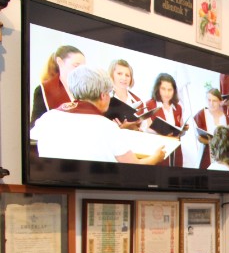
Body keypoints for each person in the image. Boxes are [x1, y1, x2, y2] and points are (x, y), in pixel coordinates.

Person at [30, 66, 165, 165]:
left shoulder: (47, 118)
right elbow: (134, 166)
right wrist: (156, 157)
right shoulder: (107, 127)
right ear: (103, 96)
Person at [30, 45, 86, 128]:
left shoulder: (86, 89)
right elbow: (34, 126)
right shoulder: (44, 90)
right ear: (60, 62)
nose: (81, 70)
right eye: (76, 65)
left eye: (84, 67)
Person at [145, 73, 187, 167]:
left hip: (175, 150)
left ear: (174, 91)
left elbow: (180, 130)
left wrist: (183, 129)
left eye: (170, 90)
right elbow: (146, 129)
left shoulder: (178, 107)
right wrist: (161, 133)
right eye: (163, 89)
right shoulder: (149, 105)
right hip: (158, 150)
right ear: (158, 89)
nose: (167, 93)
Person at [194, 88, 229, 169]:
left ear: (220, 101)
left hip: (223, 156)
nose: (211, 103)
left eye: (214, 101)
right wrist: (212, 142)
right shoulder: (201, 114)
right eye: (209, 100)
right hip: (207, 154)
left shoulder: (226, 117)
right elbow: (199, 137)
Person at [106, 59, 143, 129]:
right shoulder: (104, 98)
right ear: (111, 75)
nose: (124, 78)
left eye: (127, 75)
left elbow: (144, 129)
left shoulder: (138, 101)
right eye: (119, 74)